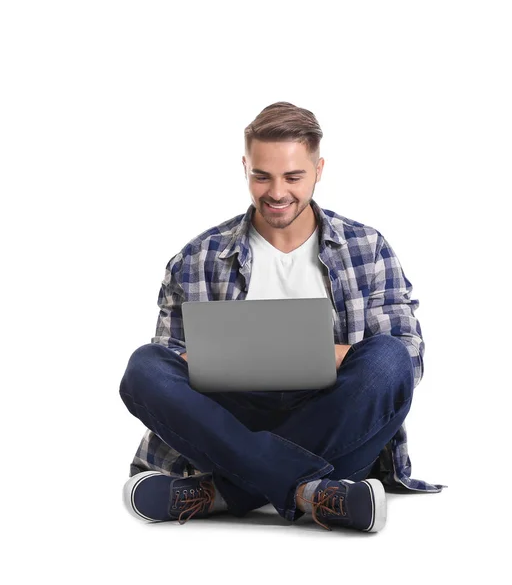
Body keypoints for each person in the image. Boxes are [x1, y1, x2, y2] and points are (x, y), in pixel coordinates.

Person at [119, 101, 447, 533]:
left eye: (293, 177)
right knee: (145, 368)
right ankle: (315, 492)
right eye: (262, 176)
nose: (277, 192)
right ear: (245, 166)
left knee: (387, 360)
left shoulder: (367, 247)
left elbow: (407, 360)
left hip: (334, 414)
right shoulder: (198, 257)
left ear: (318, 169)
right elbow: (171, 357)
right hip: (227, 421)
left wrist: (314, 355)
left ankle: (223, 491)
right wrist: (205, 360)